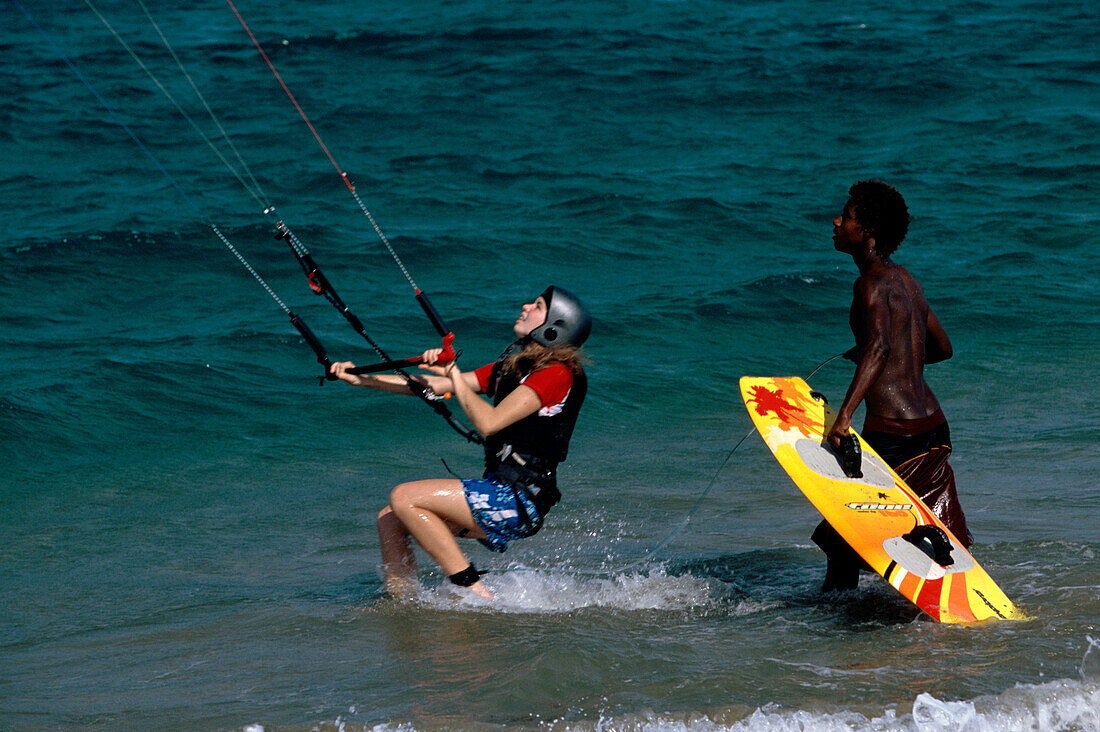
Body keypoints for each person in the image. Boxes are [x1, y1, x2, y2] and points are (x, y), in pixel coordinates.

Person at [330, 286, 591, 599]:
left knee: (404, 496)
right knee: (391, 518)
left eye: (536, 306)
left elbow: (489, 422)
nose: (524, 306)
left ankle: (474, 592)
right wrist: (358, 378)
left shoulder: (557, 374)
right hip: (500, 492)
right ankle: (405, 602)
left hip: (519, 500)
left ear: (554, 327)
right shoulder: (512, 368)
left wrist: (453, 373)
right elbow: (433, 385)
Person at [815, 180, 972, 592]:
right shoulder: (908, 281)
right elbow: (943, 347)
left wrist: (844, 417)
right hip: (932, 425)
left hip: (894, 435)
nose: (836, 221)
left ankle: (835, 623)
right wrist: (887, 357)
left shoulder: (868, 284)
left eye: (846, 216)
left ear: (865, 230)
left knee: (847, 534)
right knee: (926, 522)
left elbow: (881, 345)